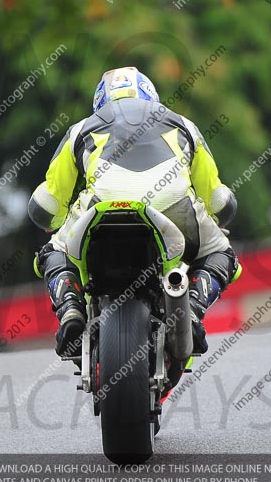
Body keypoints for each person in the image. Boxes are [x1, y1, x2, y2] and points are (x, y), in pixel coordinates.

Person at [27, 66, 240, 359]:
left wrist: (54, 223)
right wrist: (221, 217)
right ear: (151, 95)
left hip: (99, 209)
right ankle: (192, 310)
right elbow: (217, 199)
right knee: (224, 255)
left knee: (52, 254)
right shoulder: (183, 124)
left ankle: (71, 311)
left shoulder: (81, 128)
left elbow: (46, 205)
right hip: (173, 210)